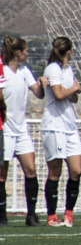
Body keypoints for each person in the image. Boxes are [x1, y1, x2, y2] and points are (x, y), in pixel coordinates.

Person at [0, 37, 47, 227]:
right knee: (2, 174)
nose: (28, 53)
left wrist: (42, 84)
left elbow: (38, 93)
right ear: (18, 52)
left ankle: (32, 215)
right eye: (26, 50)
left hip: (21, 129)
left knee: (31, 169)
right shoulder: (2, 69)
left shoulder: (24, 71)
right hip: (5, 129)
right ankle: (2, 216)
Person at [40, 36, 81, 227]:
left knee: (76, 170)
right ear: (69, 52)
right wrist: (73, 88)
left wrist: (75, 91)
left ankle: (68, 214)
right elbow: (58, 95)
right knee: (55, 173)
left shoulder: (68, 70)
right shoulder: (52, 69)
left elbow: (71, 99)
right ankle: (51, 217)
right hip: (54, 126)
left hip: (69, 125)